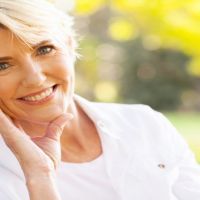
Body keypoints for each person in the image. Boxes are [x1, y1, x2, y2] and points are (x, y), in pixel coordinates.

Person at [0, 0, 199, 200]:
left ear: (69, 45)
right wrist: (39, 177)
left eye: (44, 49)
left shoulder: (145, 123)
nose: (35, 78)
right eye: (2, 66)